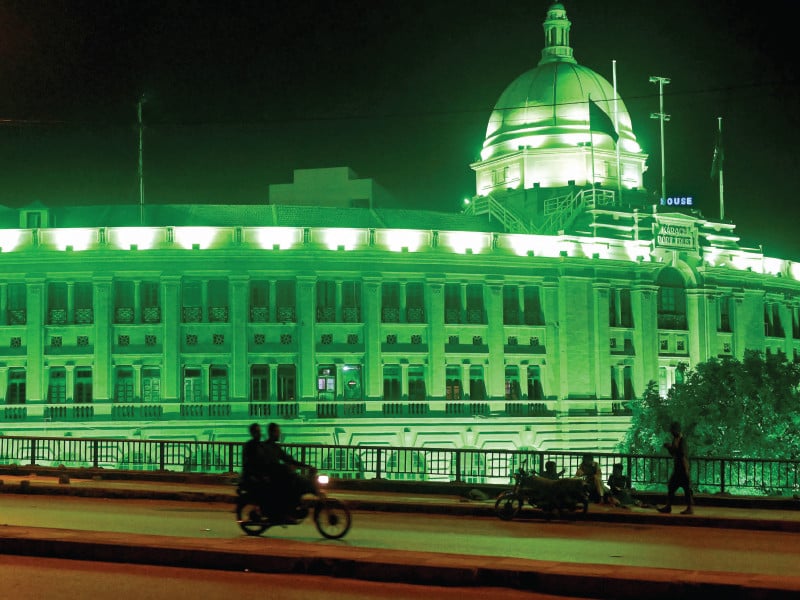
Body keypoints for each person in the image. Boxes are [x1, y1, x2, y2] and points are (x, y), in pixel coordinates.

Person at [262, 422, 318, 520]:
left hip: (278, 475)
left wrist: (307, 466)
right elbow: (269, 464)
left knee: (297, 481)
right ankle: (288, 511)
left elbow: (289, 459)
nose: (279, 434)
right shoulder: (266, 447)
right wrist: (285, 468)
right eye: (277, 432)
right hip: (272, 478)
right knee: (293, 485)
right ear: (272, 432)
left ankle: (292, 508)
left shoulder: (275, 447)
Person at [658, 421, 694, 515]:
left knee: (686, 489)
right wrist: (669, 448)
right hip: (678, 468)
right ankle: (668, 506)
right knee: (671, 486)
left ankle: (689, 508)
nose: (671, 432)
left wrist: (686, 470)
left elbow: (682, 454)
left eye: (672, 430)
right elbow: (675, 453)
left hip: (682, 468)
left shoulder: (682, 441)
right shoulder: (675, 439)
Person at [240, 423, 271, 511]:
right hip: (251, 476)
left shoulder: (260, 445)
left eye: (260, 431)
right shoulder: (250, 446)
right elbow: (247, 463)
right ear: (253, 433)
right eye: (257, 431)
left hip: (259, 474)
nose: (259, 433)